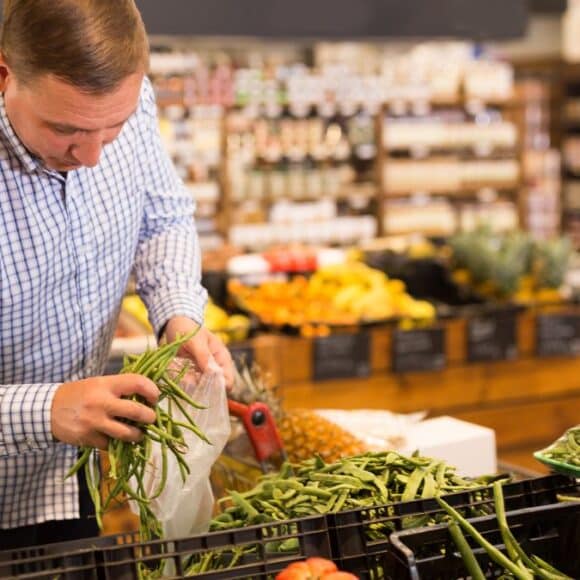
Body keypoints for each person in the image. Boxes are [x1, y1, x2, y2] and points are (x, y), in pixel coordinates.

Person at [0, 0, 234, 549]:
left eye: (114, 129)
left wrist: (178, 313)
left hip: (66, 482)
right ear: (4, 74)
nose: (92, 157)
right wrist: (48, 410)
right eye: (65, 130)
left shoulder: (123, 102)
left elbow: (162, 216)